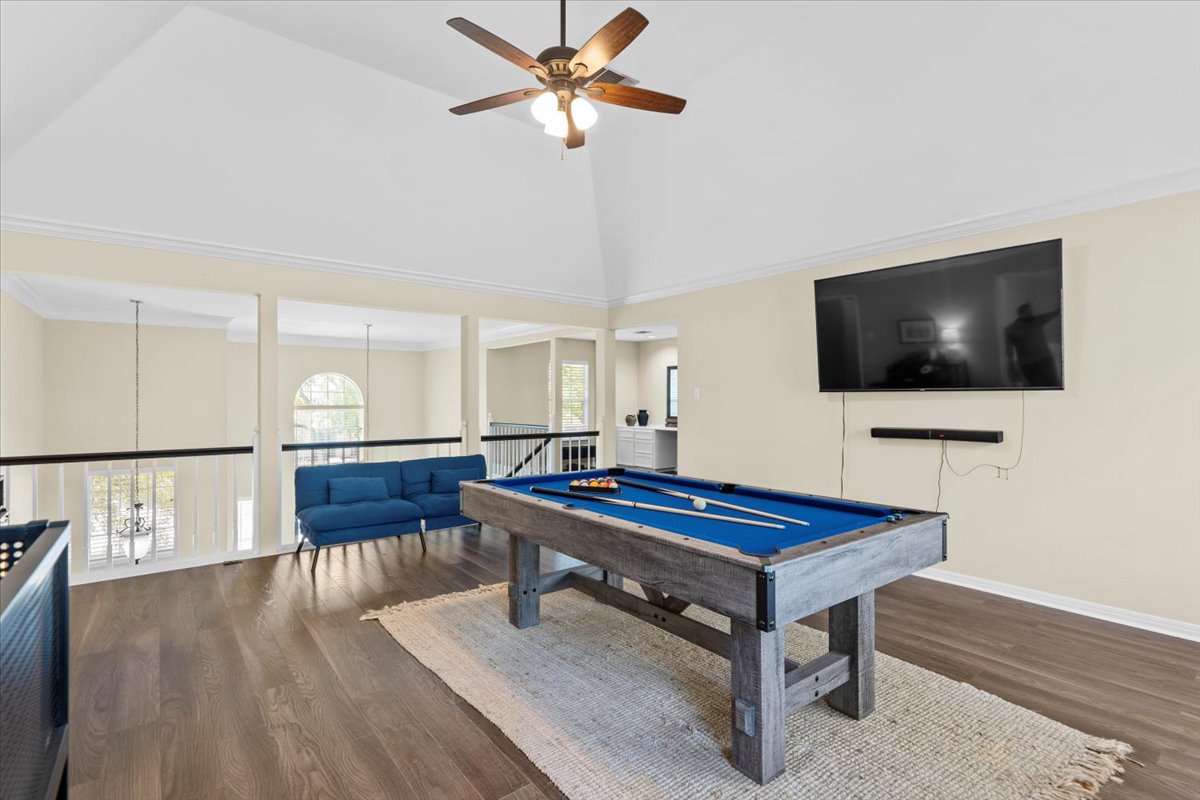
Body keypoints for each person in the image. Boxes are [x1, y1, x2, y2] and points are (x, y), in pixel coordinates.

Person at [1004, 303, 1062, 387]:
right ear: (1020, 313)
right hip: (1028, 365)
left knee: (1053, 385)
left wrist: (1065, 304)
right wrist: (1012, 366)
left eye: (1031, 311)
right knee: (1036, 389)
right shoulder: (1011, 329)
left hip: (1044, 360)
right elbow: (1009, 351)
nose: (1030, 313)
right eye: (1027, 311)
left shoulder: (1037, 320)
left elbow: (1053, 314)